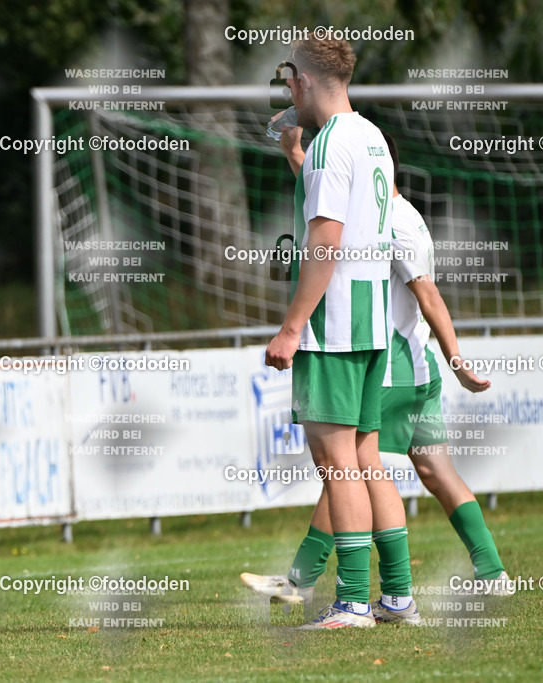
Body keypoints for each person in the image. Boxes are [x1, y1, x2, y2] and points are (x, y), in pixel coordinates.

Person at [242, 133, 511, 618]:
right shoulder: (388, 211)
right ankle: (489, 572)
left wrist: (459, 362)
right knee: (427, 470)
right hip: (414, 366)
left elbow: (429, 296)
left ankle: (313, 582)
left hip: (395, 368)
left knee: (353, 467)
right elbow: (325, 192)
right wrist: (293, 154)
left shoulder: (397, 221)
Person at [261, 37, 404, 629]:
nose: (286, 89)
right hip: (373, 321)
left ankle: (350, 602)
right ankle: (396, 595)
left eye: (289, 78)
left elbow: (324, 242)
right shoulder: (369, 135)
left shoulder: (329, 147)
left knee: (337, 463)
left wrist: (292, 328)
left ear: (309, 81)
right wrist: (297, 151)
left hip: (334, 325)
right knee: (366, 458)